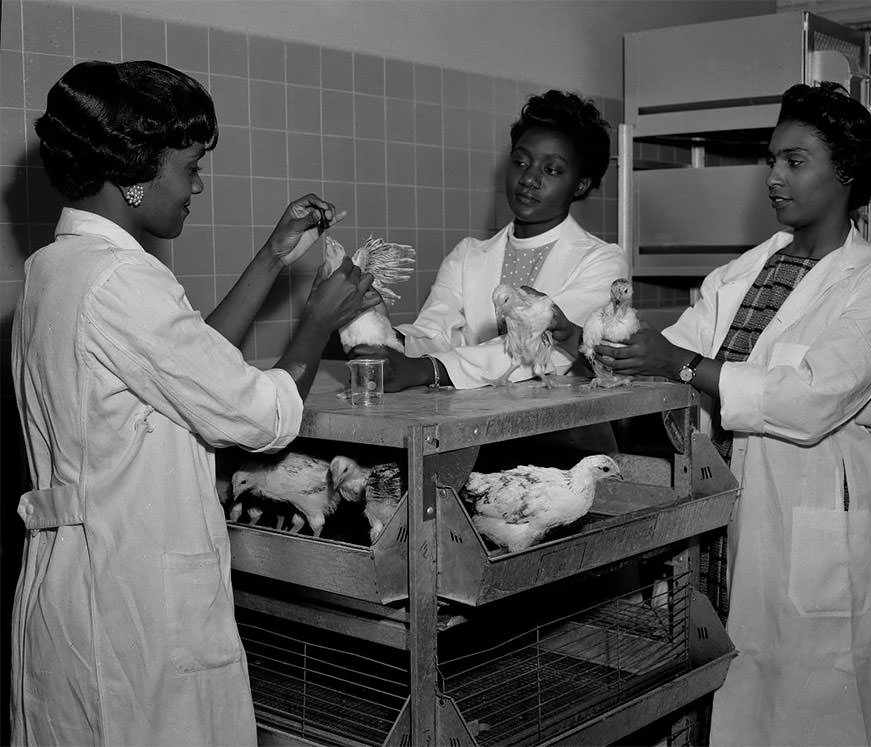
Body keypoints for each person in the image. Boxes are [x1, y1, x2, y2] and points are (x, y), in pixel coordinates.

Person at [9, 60, 375, 746]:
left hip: (69, 587)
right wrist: (319, 319)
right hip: (132, 600)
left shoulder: (53, 271)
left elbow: (184, 363)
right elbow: (259, 414)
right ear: (134, 173)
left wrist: (272, 255)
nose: (197, 186)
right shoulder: (125, 281)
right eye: (190, 167)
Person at [595, 82, 871, 746]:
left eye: (794, 161)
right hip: (731, 511)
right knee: (737, 694)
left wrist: (679, 364)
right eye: (772, 159)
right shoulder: (745, 272)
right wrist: (602, 347)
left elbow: (807, 401)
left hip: (814, 515)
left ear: (847, 173)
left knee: (823, 702)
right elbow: (676, 348)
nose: (773, 176)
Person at [354, 89, 628, 395]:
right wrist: (379, 333)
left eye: (551, 170)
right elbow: (435, 333)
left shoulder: (602, 261)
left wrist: (426, 369)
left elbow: (547, 351)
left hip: (566, 436)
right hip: (479, 427)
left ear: (581, 184)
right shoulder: (468, 255)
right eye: (520, 162)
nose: (529, 179)